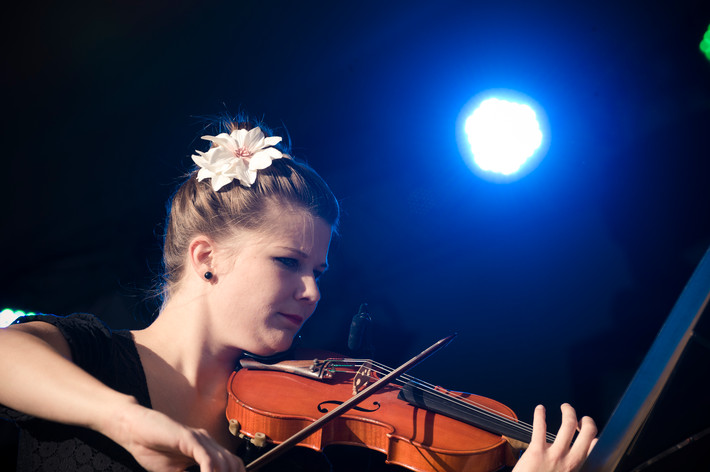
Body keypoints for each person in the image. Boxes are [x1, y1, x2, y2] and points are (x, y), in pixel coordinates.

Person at [0, 117, 597, 472]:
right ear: (205, 257)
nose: (312, 292)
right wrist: (124, 420)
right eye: (289, 262)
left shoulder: (301, 441)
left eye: (320, 270)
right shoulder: (91, 357)